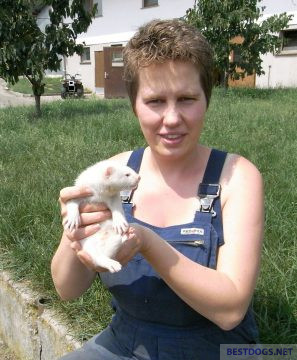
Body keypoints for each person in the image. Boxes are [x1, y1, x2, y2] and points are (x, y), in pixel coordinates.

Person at [51, 19, 264, 360]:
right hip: (124, 342)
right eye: (155, 101)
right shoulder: (113, 174)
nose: (172, 118)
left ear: (207, 99)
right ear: (134, 104)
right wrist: (74, 237)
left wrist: (147, 243)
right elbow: (66, 289)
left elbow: (230, 310)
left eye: (186, 98)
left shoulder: (237, 177)